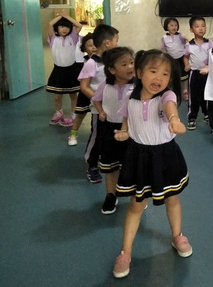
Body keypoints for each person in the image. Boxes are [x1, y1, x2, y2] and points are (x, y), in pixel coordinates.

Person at [112, 50, 191, 279]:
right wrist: (125, 132)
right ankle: (125, 253)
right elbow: (127, 119)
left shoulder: (166, 96)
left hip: (165, 156)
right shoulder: (131, 97)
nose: (159, 78)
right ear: (139, 73)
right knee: (136, 205)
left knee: (172, 199)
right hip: (139, 157)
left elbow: (170, 108)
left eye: (165, 74)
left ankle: (177, 236)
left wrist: (175, 121)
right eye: (153, 71)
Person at [91, 47, 135, 214]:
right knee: (111, 166)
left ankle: (136, 197)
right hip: (110, 130)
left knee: (132, 165)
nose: (130, 67)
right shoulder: (105, 85)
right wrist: (101, 111)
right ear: (112, 70)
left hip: (131, 131)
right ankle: (111, 195)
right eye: (124, 64)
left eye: (131, 62)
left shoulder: (137, 86)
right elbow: (96, 99)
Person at [79, 24, 119, 183]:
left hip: (114, 107)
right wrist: (97, 99)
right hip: (98, 108)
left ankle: (111, 161)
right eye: (116, 40)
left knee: (112, 134)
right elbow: (84, 86)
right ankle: (92, 164)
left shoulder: (113, 61)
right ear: (107, 43)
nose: (117, 43)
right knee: (98, 136)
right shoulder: (91, 63)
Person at [46, 13, 83, 127]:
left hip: (71, 70)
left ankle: (73, 115)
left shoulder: (72, 37)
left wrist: (66, 17)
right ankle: (58, 113)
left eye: (67, 27)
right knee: (57, 97)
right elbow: (50, 24)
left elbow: (79, 26)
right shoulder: (53, 38)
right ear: (57, 28)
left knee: (73, 96)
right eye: (62, 26)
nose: (64, 29)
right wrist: (61, 16)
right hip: (58, 71)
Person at [183, 16, 213, 130]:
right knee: (194, 96)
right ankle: (192, 117)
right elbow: (186, 56)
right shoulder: (189, 45)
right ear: (192, 29)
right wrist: (187, 65)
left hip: (207, 73)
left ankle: (207, 113)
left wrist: (209, 66)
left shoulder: (209, 43)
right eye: (197, 26)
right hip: (194, 74)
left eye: (203, 26)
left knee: (207, 94)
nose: (201, 28)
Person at [68, 33, 96, 146]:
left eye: (96, 45)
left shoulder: (105, 60)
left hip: (98, 92)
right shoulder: (86, 61)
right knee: (80, 114)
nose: (93, 48)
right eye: (90, 45)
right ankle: (73, 134)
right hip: (86, 91)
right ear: (84, 48)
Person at [161, 17, 189, 100]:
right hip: (171, 59)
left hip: (181, 58)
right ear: (167, 26)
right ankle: (173, 91)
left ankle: (185, 90)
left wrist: (186, 39)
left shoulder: (180, 35)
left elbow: (187, 40)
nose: (174, 27)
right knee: (173, 75)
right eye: (171, 25)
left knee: (184, 75)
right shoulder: (164, 37)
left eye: (176, 25)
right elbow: (164, 49)